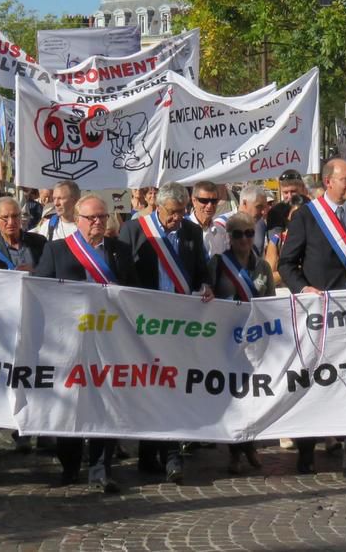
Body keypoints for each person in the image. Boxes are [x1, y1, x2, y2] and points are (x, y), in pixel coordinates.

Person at [278, 158, 346, 483]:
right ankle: (307, 451)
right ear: (328, 181)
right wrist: (304, 288)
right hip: (318, 316)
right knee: (315, 384)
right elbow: (286, 263)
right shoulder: (307, 216)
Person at [34, 194, 140, 492]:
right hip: (68, 343)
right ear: (77, 220)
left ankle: (100, 469)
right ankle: (70, 466)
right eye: (92, 218)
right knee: (71, 404)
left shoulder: (120, 251)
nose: (97, 222)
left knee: (105, 404)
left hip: (109, 341)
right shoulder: (57, 251)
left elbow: (133, 294)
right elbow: (41, 292)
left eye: (102, 217)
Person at [118, 182, 213, 483]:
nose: (178, 218)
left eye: (183, 212)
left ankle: (172, 457)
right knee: (150, 388)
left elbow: (201, 269)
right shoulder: (135, 231)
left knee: (173, 386)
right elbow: (122, 272)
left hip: (178, 324)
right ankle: (148, 454)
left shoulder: (192, 232)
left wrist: (207, 285)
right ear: (158, 207)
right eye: (173, 212)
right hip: (144, 323)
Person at [206, 211, 274, 474]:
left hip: (254, 338)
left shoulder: (263, 266)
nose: (244, 239)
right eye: (238, 234)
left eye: (249, 233)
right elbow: (207, 291)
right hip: (225, 340)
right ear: (229, 237)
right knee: (232, 396)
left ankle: (251, 444)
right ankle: (235, 450)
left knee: (253, 394)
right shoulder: (218, 263)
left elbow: (269, 303)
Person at [0, 196, 46, 271]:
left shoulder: (40, 242)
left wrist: (35, 271)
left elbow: (50, 270)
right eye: (5, 217)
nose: (11, 222)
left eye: (15, 216)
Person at [188, 180, 229, 258]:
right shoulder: (180, 229)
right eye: (204, 201)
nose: (209, 205)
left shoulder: (221, 231)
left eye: (214, 201)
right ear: (194, 201)